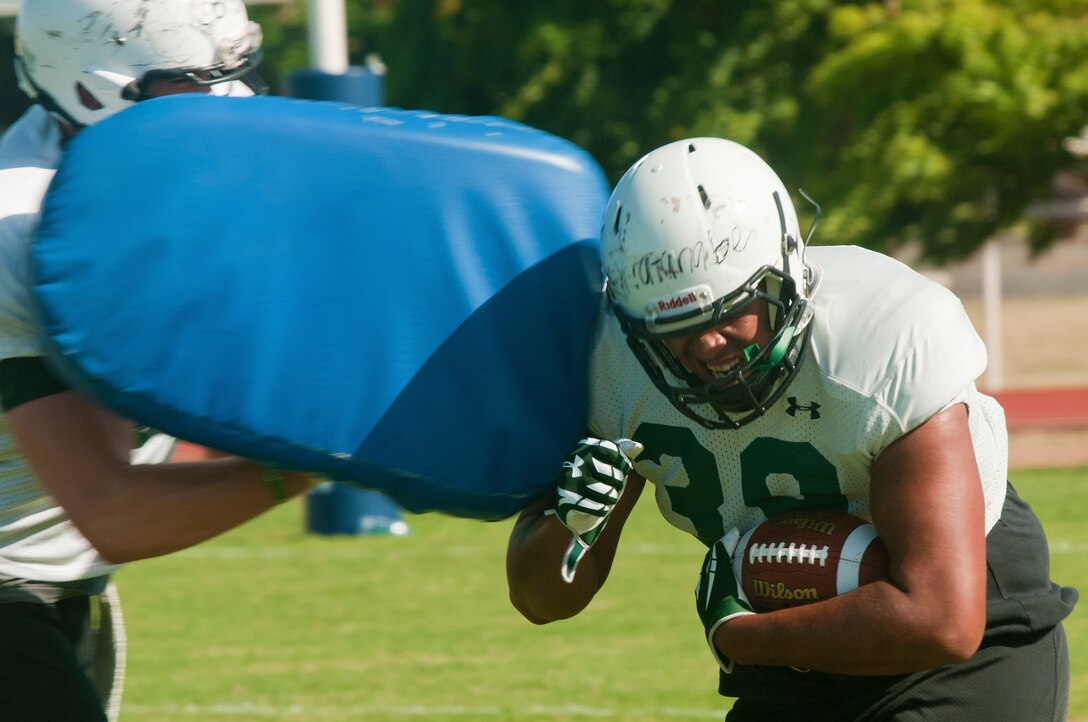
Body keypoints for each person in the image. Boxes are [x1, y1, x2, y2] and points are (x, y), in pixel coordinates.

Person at [506, 137, 1077, 720]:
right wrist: (565, 527)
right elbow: (540, 599)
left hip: (965, 634)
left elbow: (942, 619)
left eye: (730, 309)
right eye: (674, 327)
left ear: (785, 273)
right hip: (793, 643)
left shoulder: (882, 336)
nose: (707, 342)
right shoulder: (609, 366)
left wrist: (739, 638)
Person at [0, 1, 316, 720]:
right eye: (200, 78)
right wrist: (327, 459)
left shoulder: (175, 183)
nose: (231, 98)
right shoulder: (16, 228)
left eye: (236, 72)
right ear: (90, 85)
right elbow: (115, 511)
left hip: (61, 580)